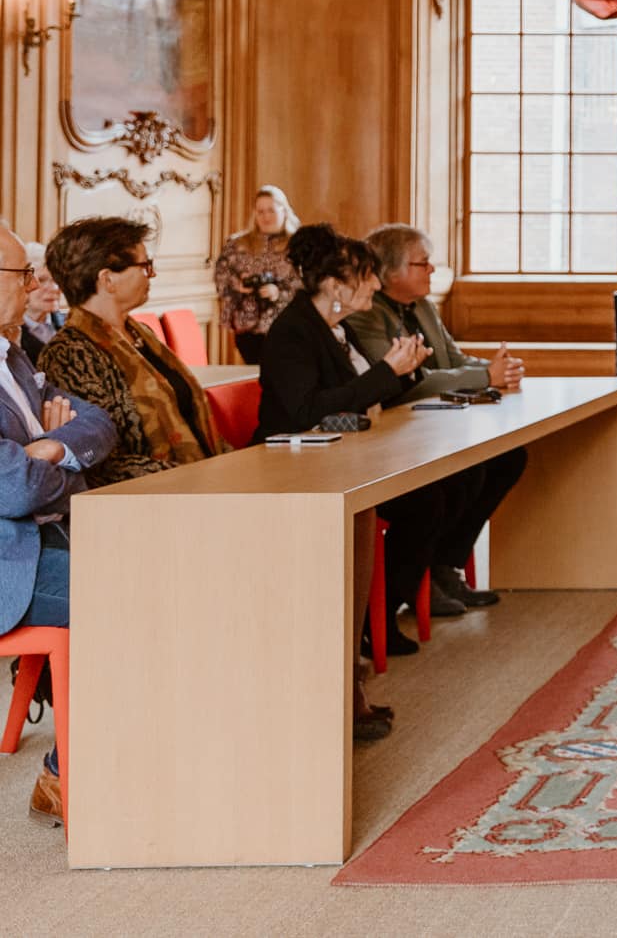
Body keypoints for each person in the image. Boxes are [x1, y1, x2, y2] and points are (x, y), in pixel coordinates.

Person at [257, 225, 436, 662]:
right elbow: (307, 411)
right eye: (367, 275)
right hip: (293, 468)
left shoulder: (337, 327)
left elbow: (364, 392)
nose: (376, 283)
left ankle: (381, 611)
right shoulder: (294, 332)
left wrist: (404, 370)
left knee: (435, 492)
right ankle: (367, 624)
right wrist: (385, 374)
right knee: (423, 502)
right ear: (335, 286)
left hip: (342, 458)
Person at [0, 220, 114, 827]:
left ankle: (113, 760)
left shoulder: (14, 352)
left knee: (168, 574)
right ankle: (64, 771)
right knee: (127, 598)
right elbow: (11, 488)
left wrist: (48, 446)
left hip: (56, 534)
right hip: (7, 561)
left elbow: (97, 424)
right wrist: (50, 450)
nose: (35, 284)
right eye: (22, 274)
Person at [348, 223, 524, 612]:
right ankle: (421, 578)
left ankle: (446, 565)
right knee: (465, 474)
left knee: (509, 457)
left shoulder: (423, 306)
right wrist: (483, 376)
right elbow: (406, 382)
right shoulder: (366, 315)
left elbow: (453, 359)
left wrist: (497, 369)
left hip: (437, 426)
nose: (432, 271)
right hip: (393, 434)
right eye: (422, 264)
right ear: (390, 272)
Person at [37, 217, 226, 487]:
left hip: (194, 487)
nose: (152, 274)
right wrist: (192, 478)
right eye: (145, 266)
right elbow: (100, 459)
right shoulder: (68, 354)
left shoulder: (140, 335)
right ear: (107, 280)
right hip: (146, 502)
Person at [213, 186, 302, 364]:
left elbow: (309, 284)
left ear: (284, 210)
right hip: (248, 328)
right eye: (260, 211)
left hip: (288, 327)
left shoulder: (299, 244)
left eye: (271, 210)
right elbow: (220, 276)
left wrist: (278, 293)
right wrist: (238, 285)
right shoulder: (238, 244)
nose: (266, 216)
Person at [17, 243, 65, 368]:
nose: (54, 288)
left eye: (56, 280)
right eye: (42, 280)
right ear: (23, 283)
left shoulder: (71, 324)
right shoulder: (10, 333)